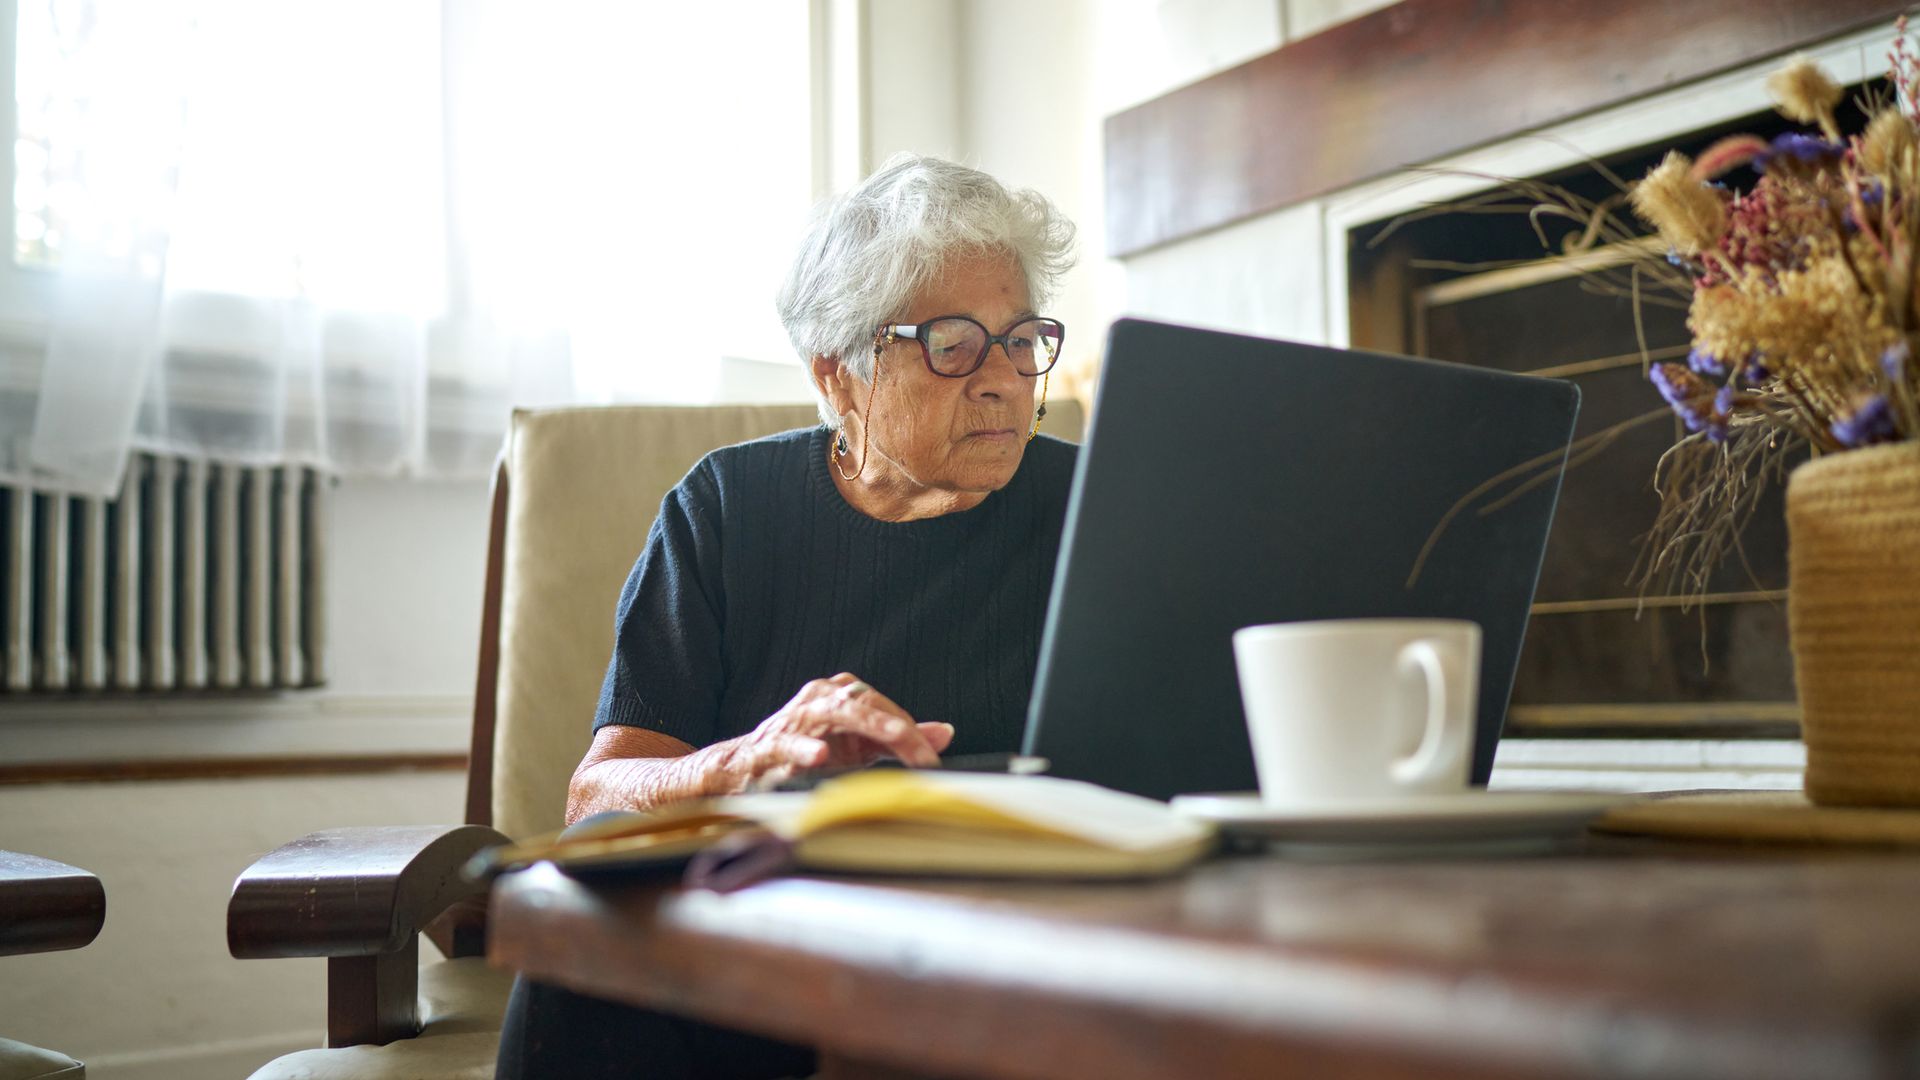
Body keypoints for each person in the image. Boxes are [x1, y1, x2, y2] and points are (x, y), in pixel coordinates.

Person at [495, 153, 1080, 1080]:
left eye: (1020, 341)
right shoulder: (727, 510)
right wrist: (741, 762)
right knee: (597, 907)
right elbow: (595, 800)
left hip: (1024, 949)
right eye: (953, 344)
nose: (1004, 379)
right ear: (840, 376)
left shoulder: (1095, 507)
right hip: (768, 956)